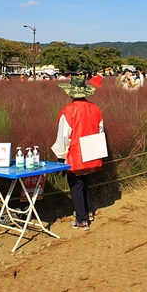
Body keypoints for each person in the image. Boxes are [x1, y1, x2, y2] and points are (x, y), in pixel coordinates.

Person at [51, 75, 104, 231]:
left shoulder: (68, 111)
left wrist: (61, 157)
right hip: (92, 152)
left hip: (75, 154)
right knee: (85, 183)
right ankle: (88, 213)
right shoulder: (96, 109)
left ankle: (81, 220)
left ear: (70, 93)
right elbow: (100, 131)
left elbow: (63, 137)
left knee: (76, 187)